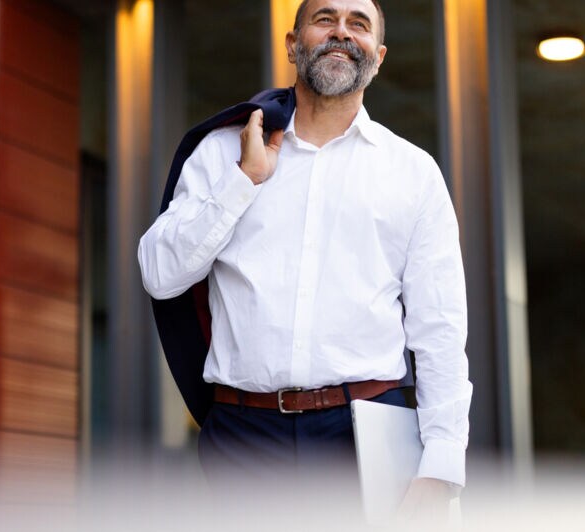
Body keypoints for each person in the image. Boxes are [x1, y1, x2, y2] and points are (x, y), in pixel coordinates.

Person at [138, 0, 471, 523]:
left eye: (358, 24)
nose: (341, 32)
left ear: (377, 57)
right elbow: (160, 276)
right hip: (243, 438)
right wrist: (242, 182)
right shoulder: (224, 151)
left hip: (365, 437)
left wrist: (442, 465)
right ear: (293, 44)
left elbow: (441, 331)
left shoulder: (413, 173)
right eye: (325, 19)